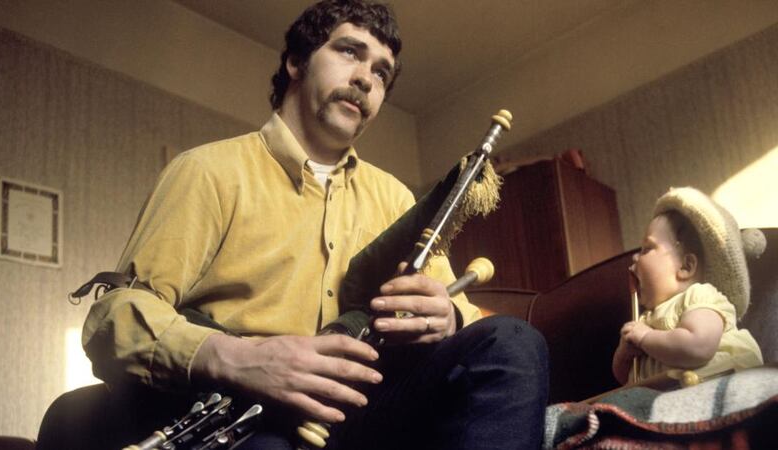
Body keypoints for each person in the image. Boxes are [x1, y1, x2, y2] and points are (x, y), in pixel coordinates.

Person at [80, 0, 549, 448]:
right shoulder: (206, 171)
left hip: (369, 411)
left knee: (511, 343)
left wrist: (446, 318)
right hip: (250, 413)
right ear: (296, 62)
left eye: (381, 72)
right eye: (349, 51)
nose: (365, 78)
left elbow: (459, 313)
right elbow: (114, 318)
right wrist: (241, 359)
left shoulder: (394, 197)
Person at [612, 187, 763, 385]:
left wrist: (645, 338)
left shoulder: (700, 297)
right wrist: (623, 354)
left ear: (686, 266)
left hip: (718, 385)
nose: (634, 258)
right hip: (663, 398)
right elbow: (625, 379)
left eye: (646, 249)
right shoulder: (645, 321)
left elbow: (698, 346)